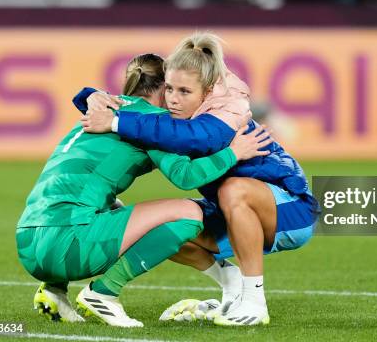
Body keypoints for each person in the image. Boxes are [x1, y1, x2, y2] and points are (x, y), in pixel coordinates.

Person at [77, 32, 320, 326]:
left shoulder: (223, 116)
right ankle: (231, 286)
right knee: (164, 223)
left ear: (207, 92)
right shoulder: (189, 106)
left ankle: (255, 302)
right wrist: (91, 95)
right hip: (230, 210)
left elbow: (190, 138)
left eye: (184, 92)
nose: (173, 99)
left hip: (290, 209)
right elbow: (143, 106)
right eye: (169, 89)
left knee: (234, 189)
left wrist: (115, 121)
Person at [16, 53, 271, 328]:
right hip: (71, 244)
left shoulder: (105, 109)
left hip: (29, 246)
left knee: (107, 203)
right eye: (173, 89)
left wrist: (91, 94)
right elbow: (186, 176)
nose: (176, 99)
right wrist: (234, 153)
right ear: (164, 87)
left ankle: (54, 289)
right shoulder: (153, 123)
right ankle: (104, 293)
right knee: (189, 213)